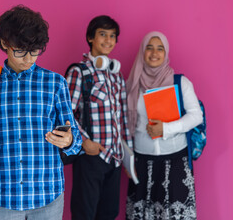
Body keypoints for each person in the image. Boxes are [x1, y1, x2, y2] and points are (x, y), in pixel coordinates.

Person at [0, 5, 82, 220]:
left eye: (35, 50)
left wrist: (68, 140)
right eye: (20, 50)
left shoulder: (56, 83)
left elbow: (76, 143)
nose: (28, 58)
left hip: (48, 194)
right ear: (4, 43)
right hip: (3, 196)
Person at [125, 31, 203, 219]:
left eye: (160, 48)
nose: (154, 53)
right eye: (149, 48)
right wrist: (128, 162)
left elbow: (196, 116)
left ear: (166, 52)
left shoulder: (180, 83)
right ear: (142, 52)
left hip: (176, 162)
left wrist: (166, 129)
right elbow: (124, 126)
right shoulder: (132, 85)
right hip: (142, 163)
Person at [66, 15, 128, 220]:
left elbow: (123, 116)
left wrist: (128, 155)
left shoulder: (117, 75)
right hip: (91, 157)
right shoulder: (79, 72)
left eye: (112, 36)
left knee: (109, 214)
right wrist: (85, 143)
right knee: (85, 214)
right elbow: (66, 114)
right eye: (103, 34)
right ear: (90, 38)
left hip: (115, 158)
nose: (108, 40)